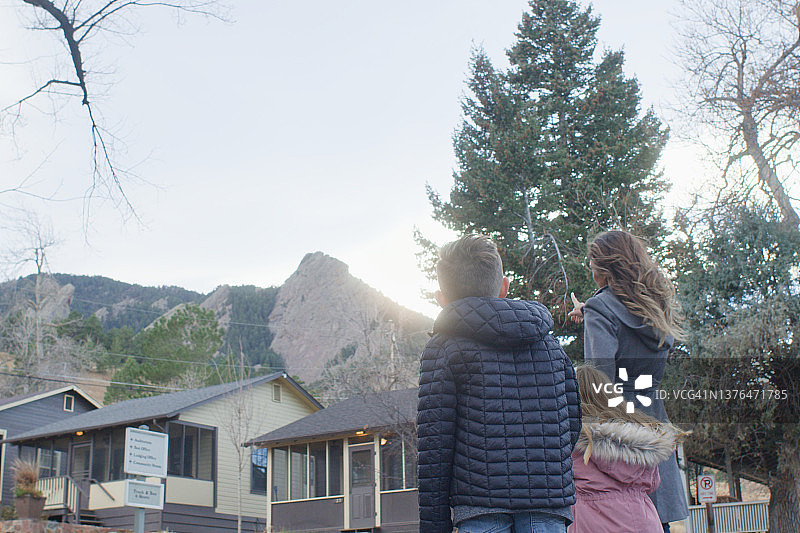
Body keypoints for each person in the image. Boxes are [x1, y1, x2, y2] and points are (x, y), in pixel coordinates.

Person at [417, 234, 581, 533]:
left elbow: (434, 446)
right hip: (547, 503)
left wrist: (434, 526)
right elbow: (571, 425)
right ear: (504, 287)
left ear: (441, 298)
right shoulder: (550, 345)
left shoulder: (444, 347)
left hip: (478, 504)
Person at [568, 230, 689, 532]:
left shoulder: (602, 309)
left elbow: (601, 383)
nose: (590, 270)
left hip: (617, 433)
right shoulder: (656, 306)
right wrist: (593, 310)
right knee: (655, 519)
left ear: (604, 268)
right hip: (653, 423)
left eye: (591, 264)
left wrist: (595, 310)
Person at [568, 365, 686, 533]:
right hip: (645, 521)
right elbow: (653, 483)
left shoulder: (573, 443)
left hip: (590, 523)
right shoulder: (643, 445)